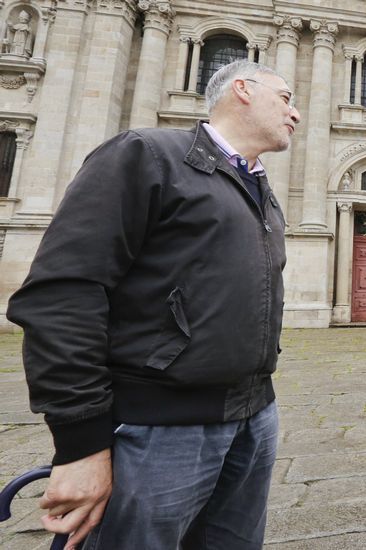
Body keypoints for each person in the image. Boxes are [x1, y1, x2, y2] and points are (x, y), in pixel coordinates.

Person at [6, 59, 300, 549]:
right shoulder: (146, 155)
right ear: (243, 90)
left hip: (253, 419)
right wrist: (81, 444)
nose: (294, 113)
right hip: (159, 429)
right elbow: (62, 294)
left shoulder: (261, 189)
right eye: (286, 97)